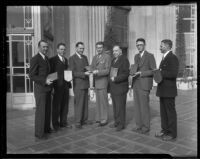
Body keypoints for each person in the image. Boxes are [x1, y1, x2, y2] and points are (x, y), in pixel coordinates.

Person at [131, 38, 156, 134]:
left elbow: (153, 71)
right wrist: (132, 73)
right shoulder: (136, 56)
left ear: (144, 45)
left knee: (144, 106)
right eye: (137, 45)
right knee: (137, 106)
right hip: (136, 84)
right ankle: (138, 125)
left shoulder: (150, 56)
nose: (139, 46)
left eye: (140, 45)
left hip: (144, 84)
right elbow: (134, 68)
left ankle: (146, 127)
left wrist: (141, 73)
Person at [155, 39, 179, 141]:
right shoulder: (164, 57)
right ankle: (164, 130)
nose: (160, 47)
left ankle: (172, 133)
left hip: (169, 91)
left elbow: (173, 74)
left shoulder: (173, 58)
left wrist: (160, 72)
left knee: (170, 113)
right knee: (163, 112)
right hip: (163, 90)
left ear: (168, 46)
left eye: (162, 46)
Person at [29, 40, 53, 139]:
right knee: (40, 111)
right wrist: (45, 81)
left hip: (48, 88)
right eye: (43, 47)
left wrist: (51, 80)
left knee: (47, 110)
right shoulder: (35, 59)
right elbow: (32, 75)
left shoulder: (46, 58)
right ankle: (39, 133)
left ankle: (46, 128)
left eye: (46, 47)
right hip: (40, 89)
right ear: (39, 47)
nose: (45, 49)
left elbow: (48, 72)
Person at [49, 43, 72, 132]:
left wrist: (69, 84)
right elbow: (51, 74)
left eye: (64, 49)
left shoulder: (65, 60)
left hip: (65, 86)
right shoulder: (53, 60)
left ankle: (63, 122)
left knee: (65, 105)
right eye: (61, 49)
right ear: (57, 50)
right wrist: (52, 88)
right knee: (56, 106)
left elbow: (67, 72)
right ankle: (55, 124)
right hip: (57, 87)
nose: (63, 51)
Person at [69, 42, 90, 129]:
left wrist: (90, 70)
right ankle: (78, 122)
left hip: (85, 83)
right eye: (80, 48)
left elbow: (87, 68)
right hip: (78, 84)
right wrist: (84, 74)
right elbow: (72, 72)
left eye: (83, 48)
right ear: (76, 48)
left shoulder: (85, 57)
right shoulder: (72, 58)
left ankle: (84, 120)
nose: (82, 50)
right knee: (78, 103)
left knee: (85, 103)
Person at [109, 45, 130, 131]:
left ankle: (121, 124)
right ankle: (116, 122)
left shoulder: (124, 59)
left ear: (120, 51)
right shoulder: (113, 60)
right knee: (115, 106)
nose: (114, 53)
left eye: (116, 51)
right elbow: (111, 73)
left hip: (120, 87)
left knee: (120, 106)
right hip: (114, 87)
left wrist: (116, 79)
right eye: (113, 51)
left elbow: (125, 74)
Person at [90, 41, 111, 126]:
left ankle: (104, 119)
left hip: (103, 81)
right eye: (97, 48)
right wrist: (90, 69)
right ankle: (98, 118)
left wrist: (97, 71)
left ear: (103, 48)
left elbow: (107, 70)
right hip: (96, 81)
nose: (99, 49)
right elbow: (92, 67)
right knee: (98, 101)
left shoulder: (107, 57)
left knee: (103, 102)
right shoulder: (95, 57)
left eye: (100, 47)